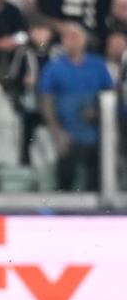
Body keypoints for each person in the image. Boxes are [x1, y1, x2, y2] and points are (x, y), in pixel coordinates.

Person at [39, 20, 113, 191]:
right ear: (63, 41)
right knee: (66, 173)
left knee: (97, 174)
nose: (73, 41)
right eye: (68, 37)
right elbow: (46, 100)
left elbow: (109, 95)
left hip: (96, 129)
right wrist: (57, 131)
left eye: (76, 36)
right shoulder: (54, 67)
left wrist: (97, 112)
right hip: (67, 130)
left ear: (84, 39)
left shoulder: (98, 65)